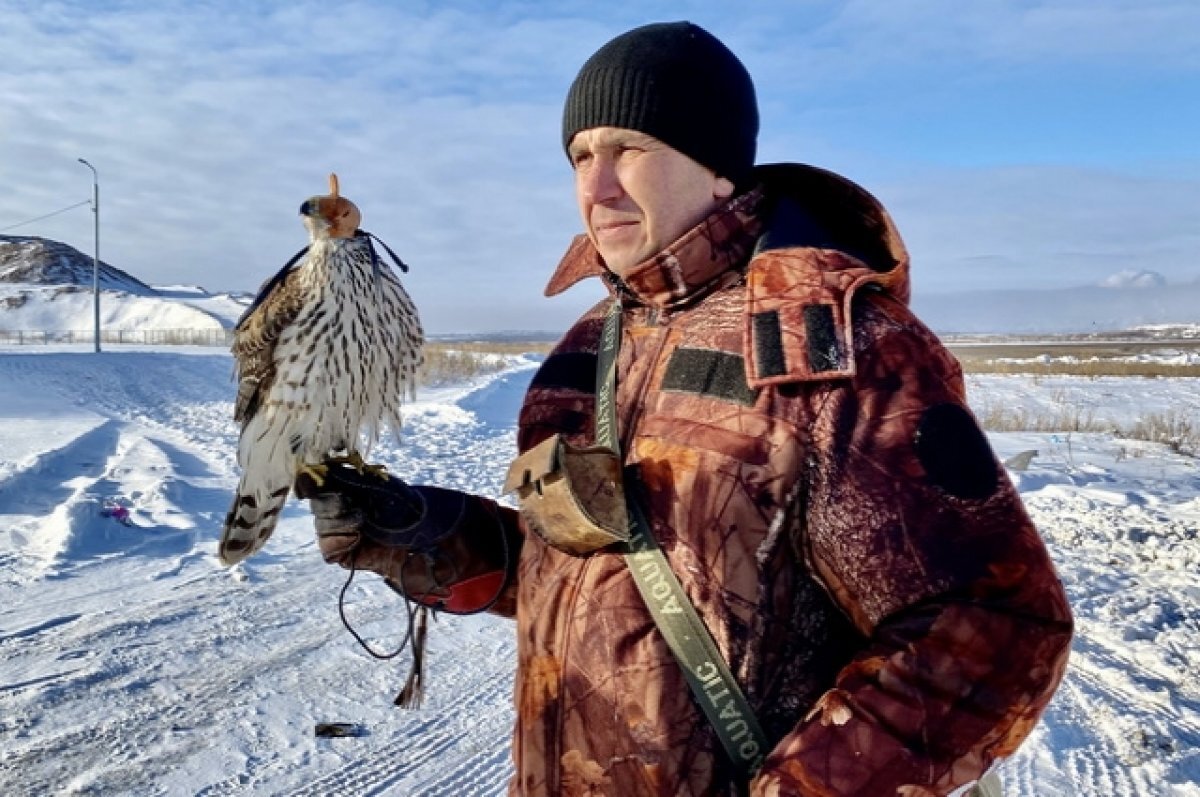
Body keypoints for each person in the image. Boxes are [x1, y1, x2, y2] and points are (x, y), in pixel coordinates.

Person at [296, 21, 1073, 797]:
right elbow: (583, 573)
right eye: (580, 156)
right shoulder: (588, 345)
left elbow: (992, 627)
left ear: (718, 169)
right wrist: (428, 536)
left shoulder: (832, 345)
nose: (595, 188)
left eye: (628, 148)